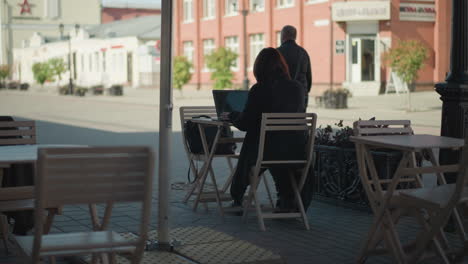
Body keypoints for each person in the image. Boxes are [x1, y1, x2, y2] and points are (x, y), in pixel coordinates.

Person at [227, 48, 309, 211]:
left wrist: (232, 115)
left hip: (268, 152)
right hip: (296, 152)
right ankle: (286, 199)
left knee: (253, 142)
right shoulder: (297, 88)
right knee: (273, 146)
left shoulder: (259, 89)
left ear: (259, 68)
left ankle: (237, 197)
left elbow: (245, 123)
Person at [277, 25, 312, 107]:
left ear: (282, 36)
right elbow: (308, 78)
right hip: (301, 97)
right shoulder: (303, 53)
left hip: (281, 98)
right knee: (299, 119)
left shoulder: (276, 53)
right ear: (295, 36)